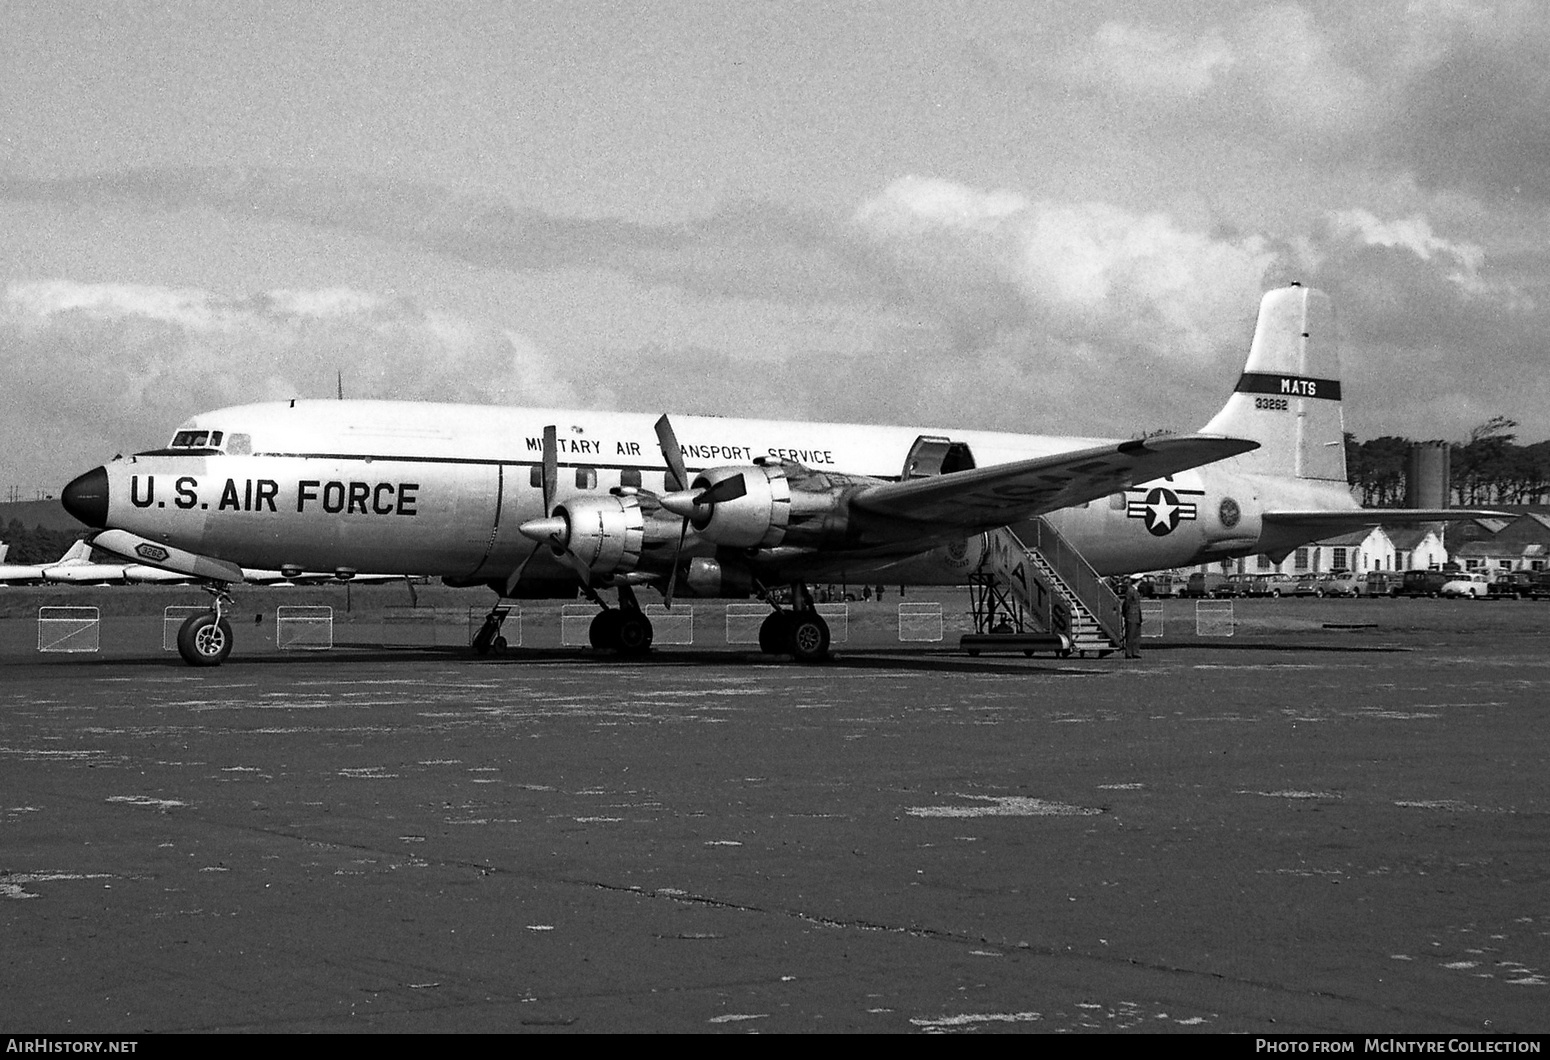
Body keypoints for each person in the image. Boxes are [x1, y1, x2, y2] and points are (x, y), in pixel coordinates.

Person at [1122, 577, 1143, 658]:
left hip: (1136, 616)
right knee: (1130, 635)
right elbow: (1126, 604)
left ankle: (1135, 652)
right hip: (1131, 616)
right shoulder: (1130, 591)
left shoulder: (1135, 591)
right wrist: (1126, 614)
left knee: (1136, 635)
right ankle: (1129, 653)